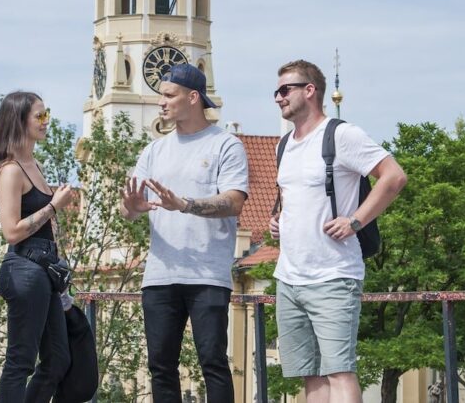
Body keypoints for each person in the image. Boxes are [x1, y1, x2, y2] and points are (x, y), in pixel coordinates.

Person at [269, 59, 406, 403]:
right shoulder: (283, 145)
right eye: (277, 91)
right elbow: (293, 197)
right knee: (311, 378)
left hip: (333, 275)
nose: (278, 97)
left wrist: (355, 220)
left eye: (285, 89)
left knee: (340, 372)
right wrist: (279, 220)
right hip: (289, 278)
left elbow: (394, 176)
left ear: (309, 90)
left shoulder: (341, 135)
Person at [120, 63, 249, 403]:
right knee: (160, 365)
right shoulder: (154, 150)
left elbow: (234, 202)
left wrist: (185, 204)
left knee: (213, 363)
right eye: (161, 95)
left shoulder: (225, 145)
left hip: (207, 274)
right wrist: (132, 205)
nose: (161, 102)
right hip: (160, 275)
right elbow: (129, 212)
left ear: (193, 98)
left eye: (168, 95)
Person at [0, 91, 75, 401]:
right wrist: (54, 206)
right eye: (39, 116)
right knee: (20, 361)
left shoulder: (33, 164)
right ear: (19, 121)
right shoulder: (10, 170)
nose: (46, 121)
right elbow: (11, 231)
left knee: (58, 359)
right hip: (23, 269)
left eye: (46, 114)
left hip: (43, 271)